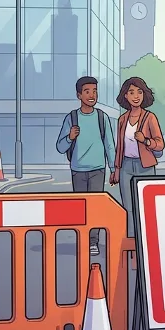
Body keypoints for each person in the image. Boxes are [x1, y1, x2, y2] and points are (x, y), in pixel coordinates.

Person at [56, 76, 116, 256]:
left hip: (98, 169)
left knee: (95, 206)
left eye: (94, 91)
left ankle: (93, 242)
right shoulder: (72, 118)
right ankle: (82, 237)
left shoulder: (101, 117)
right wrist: (70, 137)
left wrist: (113, 169)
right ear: (79, 95)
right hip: (78, 169)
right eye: (87, 91)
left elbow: (109, 145)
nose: (92, 95)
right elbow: (60, 147)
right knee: (81, 207)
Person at [110, 77, 164, 231]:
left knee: (145, 204)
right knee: (128, 206)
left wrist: (146, 141)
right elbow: (120, 147)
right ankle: (132, 239)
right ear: (125, 96)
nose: (136, 96)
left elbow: (160, 143)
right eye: (131, 92)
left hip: (145, 166)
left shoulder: (150, 117)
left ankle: (146, 237)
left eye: (139, 92)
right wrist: (117, 169)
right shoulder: (122, 119)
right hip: (126, 166)